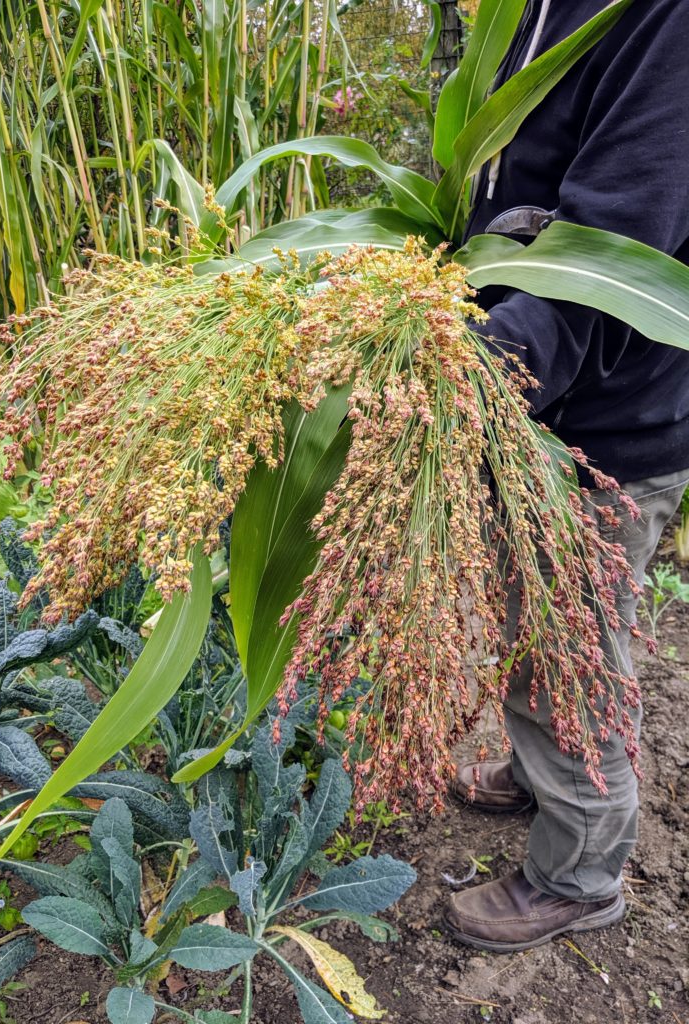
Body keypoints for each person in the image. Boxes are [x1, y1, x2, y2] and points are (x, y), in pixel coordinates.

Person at [442, 0, 689, 953]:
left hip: (606, 422)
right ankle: (545, 775)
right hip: (541, 401)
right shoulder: (529, 6)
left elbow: (619, 244)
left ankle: (582, 873)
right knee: (533, 615)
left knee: (568, 651)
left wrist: (481, 376)